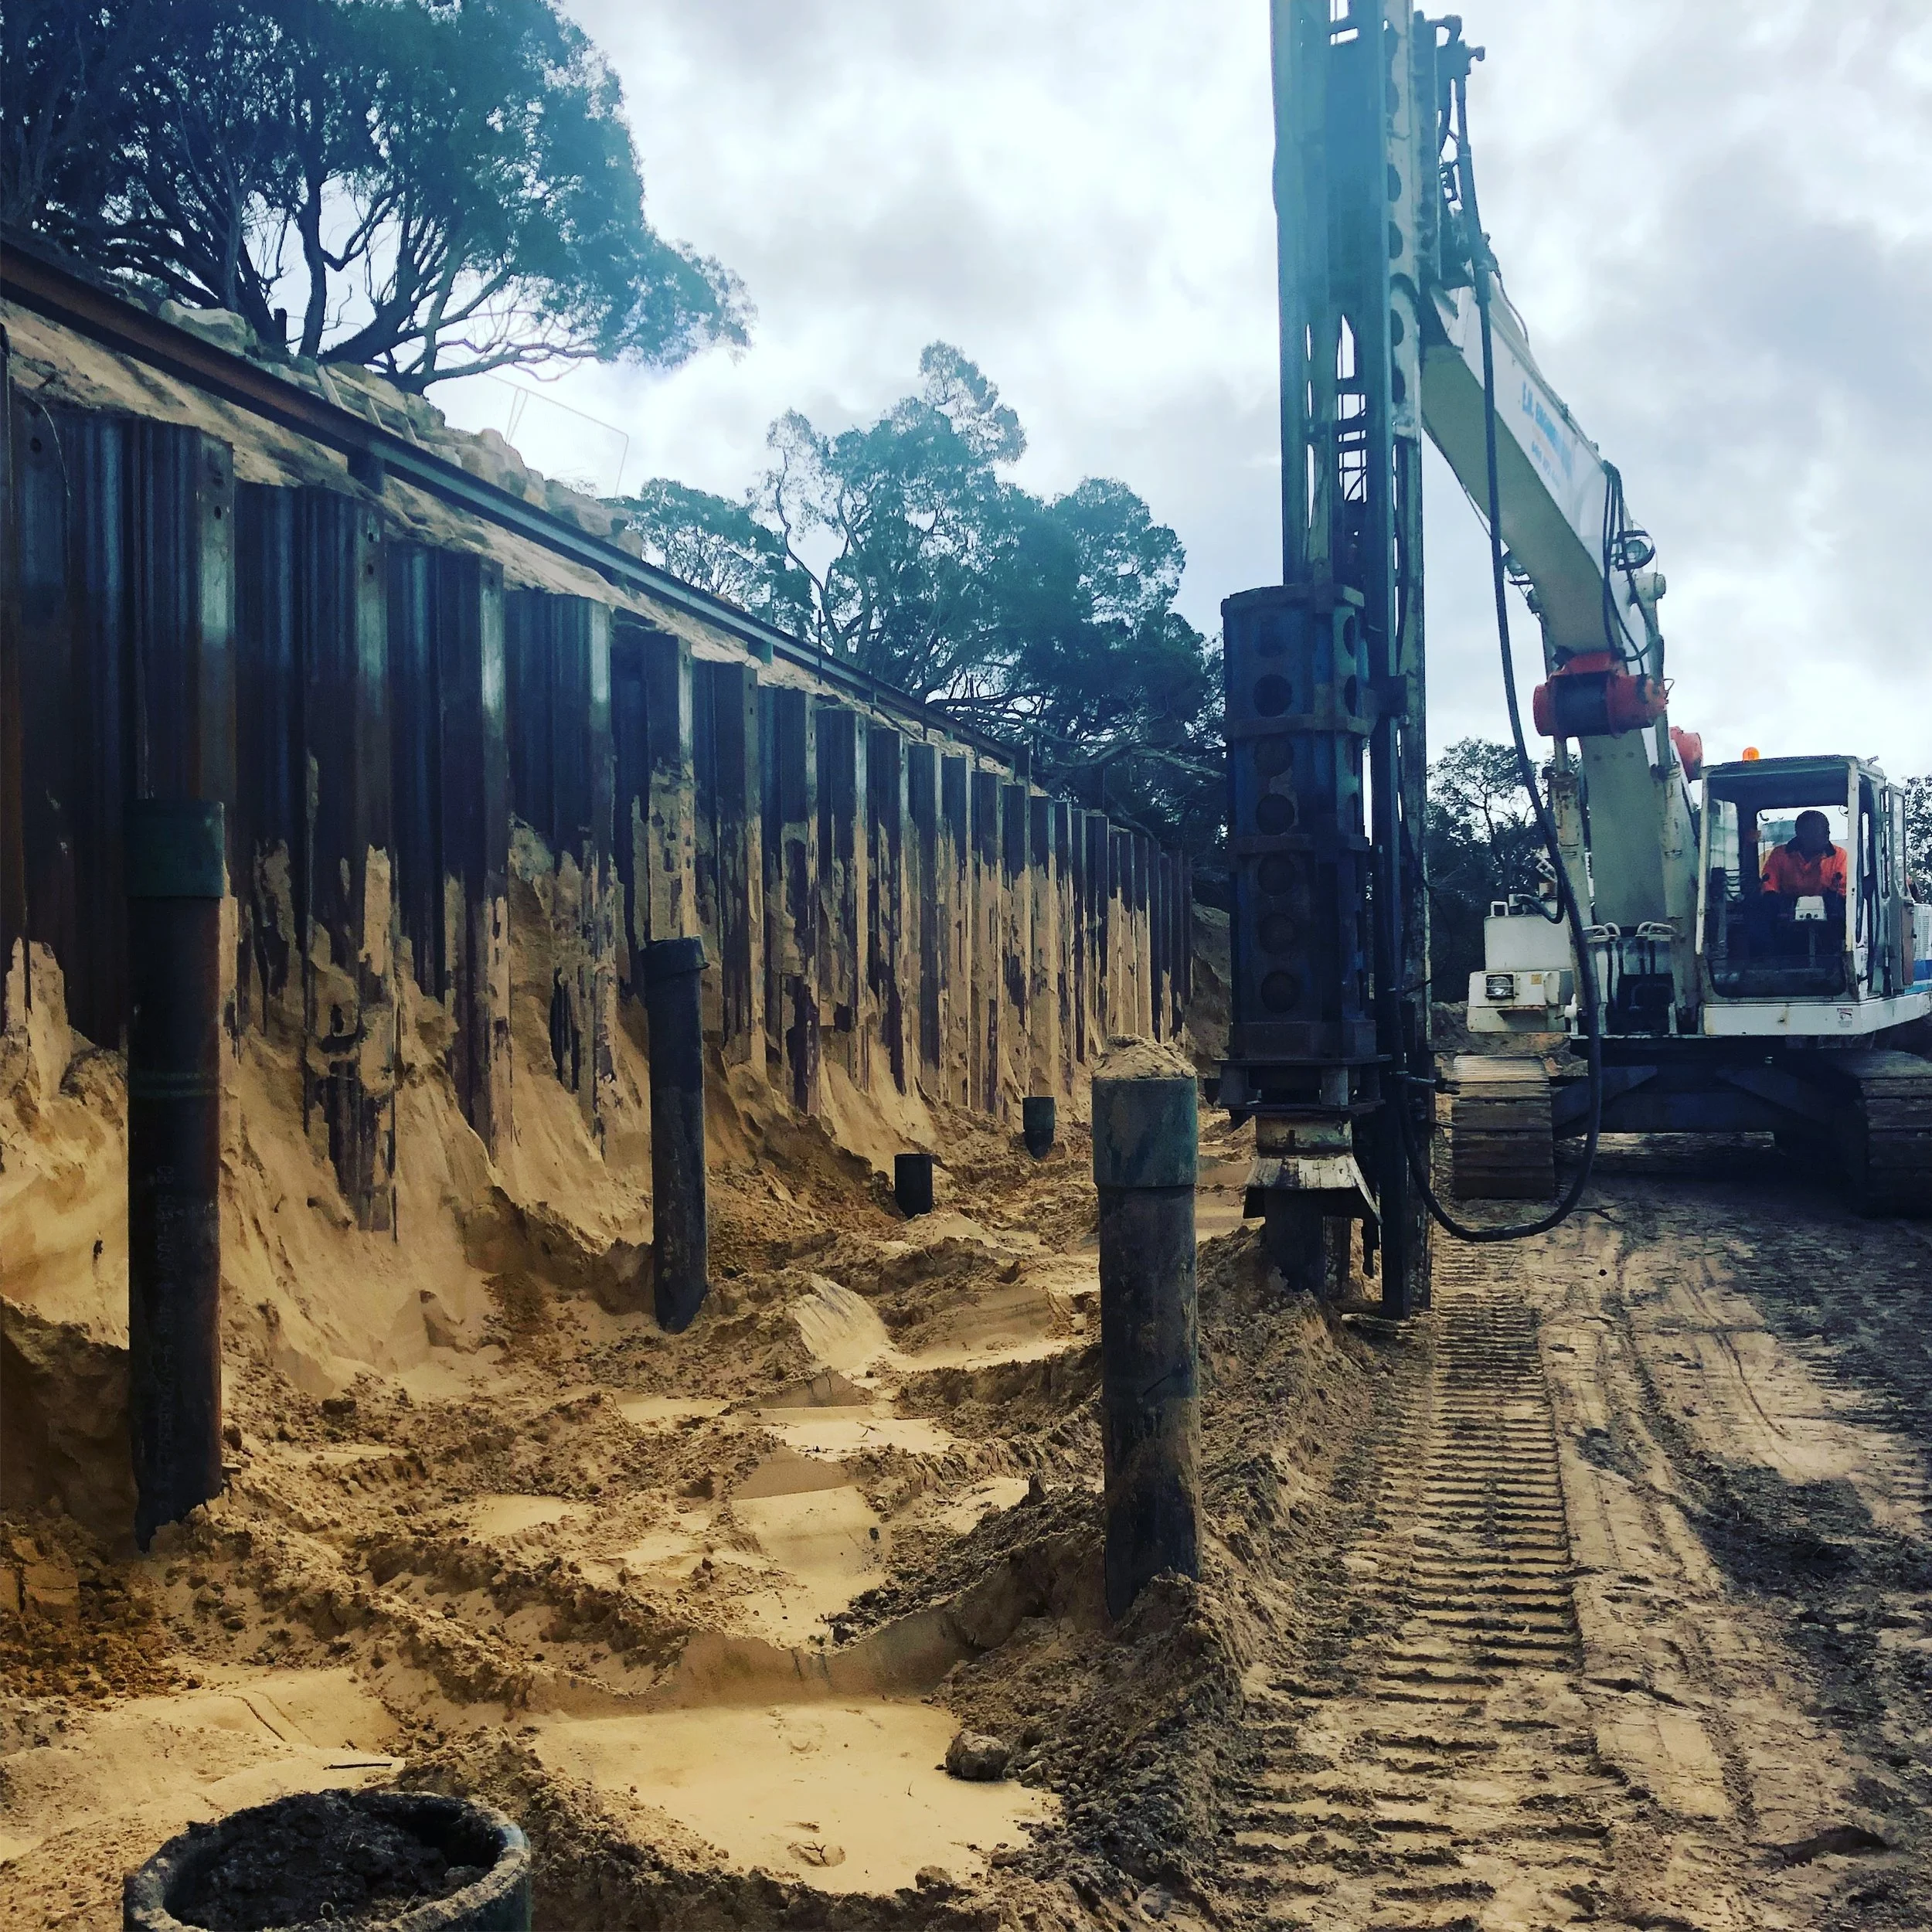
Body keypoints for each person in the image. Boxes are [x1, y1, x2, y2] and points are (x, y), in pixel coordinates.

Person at [1760, 809, 1848, 907]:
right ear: (1799, 834)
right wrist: (1776, 900)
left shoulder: (1840, 856)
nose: (1819, 838)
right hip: (1785, 915)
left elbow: (1845, 892)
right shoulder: (1780, 854)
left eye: (1823, 833)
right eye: (1811, 833)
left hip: (1829, 916)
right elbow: (1768, 885)